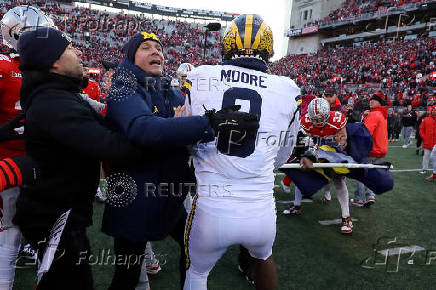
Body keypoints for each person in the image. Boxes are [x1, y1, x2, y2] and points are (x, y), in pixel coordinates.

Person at [101, 31, 259, 290]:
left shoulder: (167, 90)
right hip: (134, 195)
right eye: (145, 48)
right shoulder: (123, 88)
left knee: (192, 253)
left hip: (168, 192)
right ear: (131, 57)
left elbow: (192, 121)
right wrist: (202, 124)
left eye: (159, 47)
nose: (156, 52)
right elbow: (144, 129)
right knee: (127, 275)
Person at [12, 27, 148, 289]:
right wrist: (161, 137)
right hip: (55, 218)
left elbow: (106, 126)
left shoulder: (57, 95)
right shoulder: (54, 102)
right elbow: (113, 147)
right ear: (53, 63)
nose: (78, 53)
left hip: (59, 212)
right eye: (69, 49)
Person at [184, 14, 300, 289]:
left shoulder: (200, 75)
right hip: (260, 210)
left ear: (227, 44)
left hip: (211, 208)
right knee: (264, 257)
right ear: (268, 49)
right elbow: (285, 151)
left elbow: (186, 140)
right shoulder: (287, 89)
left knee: (198, 274)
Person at [0, 5, 54, 288]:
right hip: (9, 162)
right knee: (10, 229)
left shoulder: (50, 68)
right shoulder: (4, 66)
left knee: (47, 228)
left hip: (42, 161)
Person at [289, 98, 353, 234]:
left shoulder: (337, 120)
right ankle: (296, 205)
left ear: (328, 114)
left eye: (320, 118)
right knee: (301, 173)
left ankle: (346, 217)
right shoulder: (306, 121)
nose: (317, 122)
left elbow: (343, 142)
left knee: (339, 180)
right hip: (315, 151)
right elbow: (305, 141)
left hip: (333, 151)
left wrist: (328, 150)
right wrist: (311, 150)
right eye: (315, 119)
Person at [351, 94, 388, 207]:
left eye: (374, 100)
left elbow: (366, 133)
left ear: (379, 103)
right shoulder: (382, 114)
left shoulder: (374, 114)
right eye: (371, 100)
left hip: (371, 149)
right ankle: (370, 195)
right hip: (381, 149)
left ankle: (359, 198)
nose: (371, 101)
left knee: (361, 174)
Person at [419, 105, 436, 180]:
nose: (434, 111)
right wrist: (424, 137)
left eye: (435, 110)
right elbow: (421, 129)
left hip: (435, 143)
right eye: (433, 110)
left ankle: (434, 172)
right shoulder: (426, 119)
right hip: (427, 142)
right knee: (426, 157)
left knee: (434, 158)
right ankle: (424, 169)